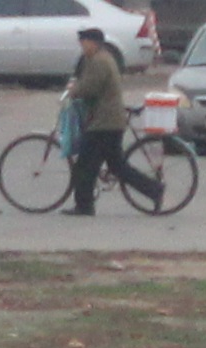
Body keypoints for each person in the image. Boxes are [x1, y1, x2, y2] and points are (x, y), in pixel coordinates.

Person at [62, 26, 161, 217]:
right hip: (109, 121)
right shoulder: (99, 58)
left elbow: (90, 88)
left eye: (84, 42)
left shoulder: (100, 61)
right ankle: (154, 190)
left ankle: (84, 206)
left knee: (85, 165)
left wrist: (73, 90)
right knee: (117, 166)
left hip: (104, 123)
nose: (82, 46)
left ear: (93, 43)